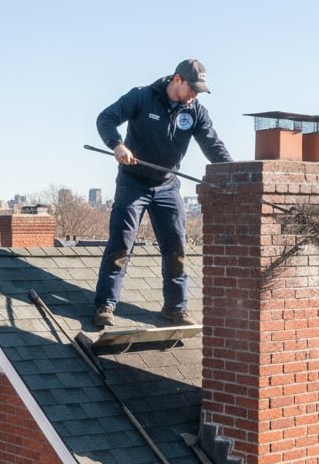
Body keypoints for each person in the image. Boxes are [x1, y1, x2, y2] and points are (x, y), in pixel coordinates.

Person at [92, 58, 232, 328]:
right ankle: (105, 305)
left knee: (176, 247)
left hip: (167, 186)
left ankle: (175, 308)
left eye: (198, 91)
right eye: (192, 88)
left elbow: (213, 146)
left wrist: (234, 174)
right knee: (121, 244)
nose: (194, 95)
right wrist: (117, 145)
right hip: (133, 184)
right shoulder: (142, 97)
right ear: (177, 80)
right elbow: (105, 119)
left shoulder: (195, 112)